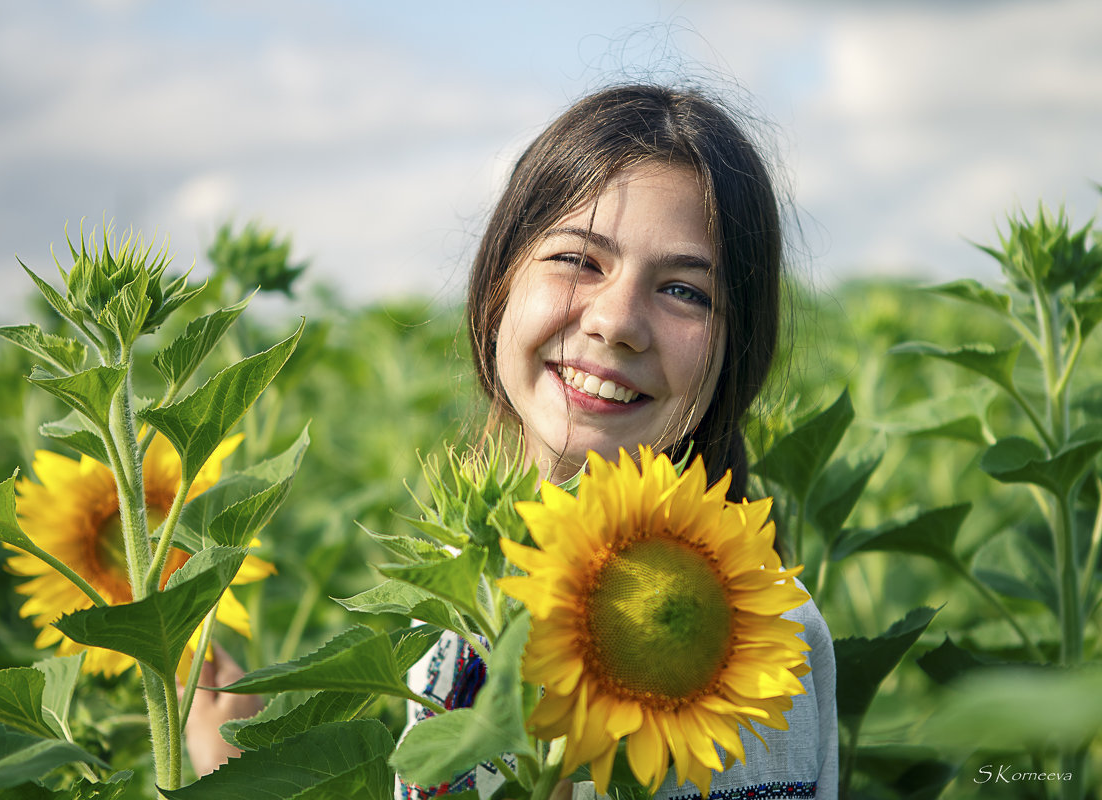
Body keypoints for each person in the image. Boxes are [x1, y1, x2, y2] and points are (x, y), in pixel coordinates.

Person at [190, 83, 838, 800]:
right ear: (499, 285)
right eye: (579, 260)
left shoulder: (748, 639)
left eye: (685, 290)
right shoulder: (463, 587)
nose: (616, 320)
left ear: (734, 352)